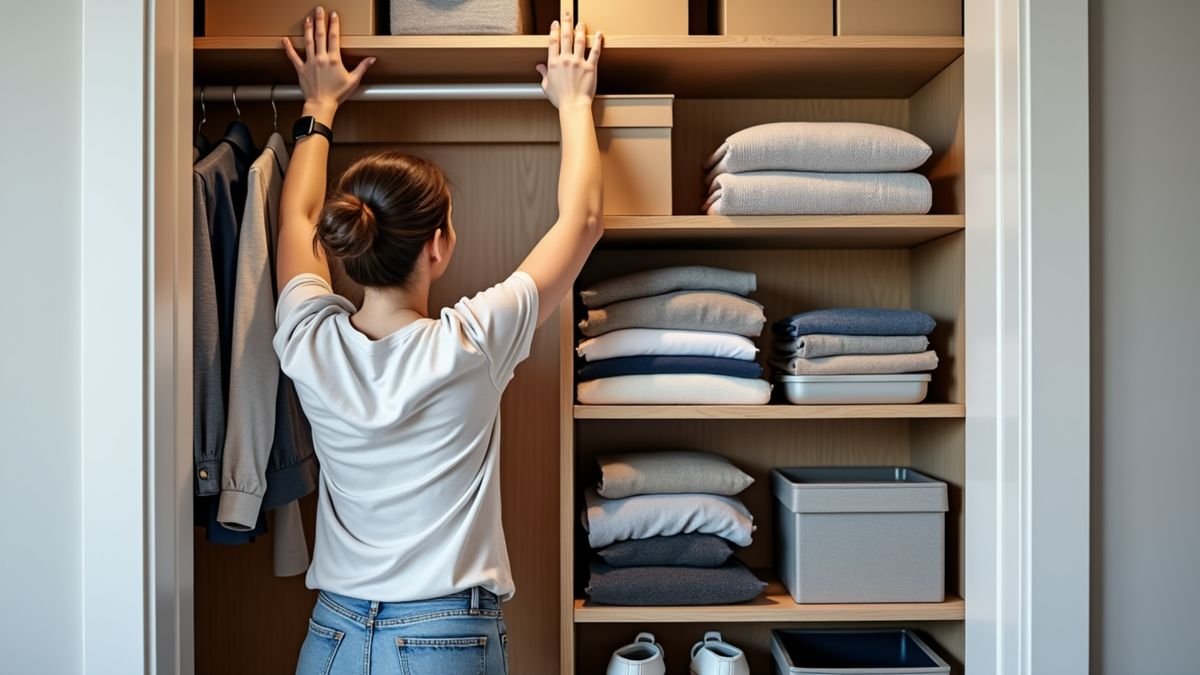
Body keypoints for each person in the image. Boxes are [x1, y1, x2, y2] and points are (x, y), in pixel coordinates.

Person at [275, 7, 603, 674]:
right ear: (438, 245)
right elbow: (585, 220)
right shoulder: (472, 342)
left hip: (333, 635)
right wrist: (573, 102)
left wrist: (318, 105)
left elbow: (297, 216)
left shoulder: (308, 339)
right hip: (442, 635)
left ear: (346, 244)